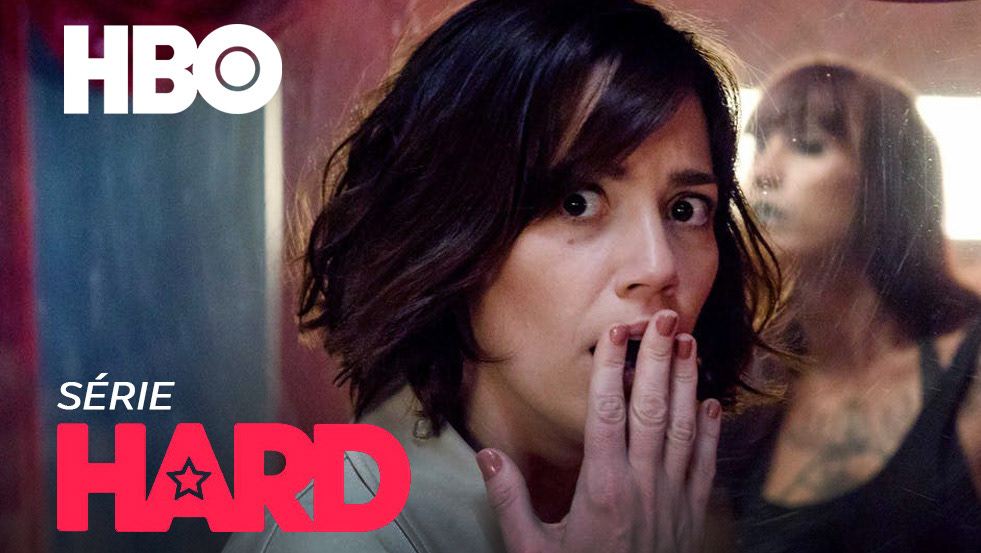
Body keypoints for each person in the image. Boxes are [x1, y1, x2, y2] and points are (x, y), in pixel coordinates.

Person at [224, 1, 781, 551]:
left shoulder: (688, 511)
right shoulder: (336, 537)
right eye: (577, 202)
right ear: (452, 235)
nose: (658, 267)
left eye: (685, 209)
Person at [733, 61, 981, 552]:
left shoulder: (970, 370)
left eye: (807, 146)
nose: (764, 173)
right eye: (760, 145)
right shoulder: (753, 385)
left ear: (885, 183)